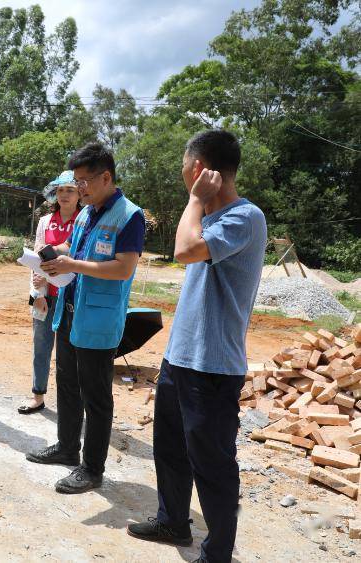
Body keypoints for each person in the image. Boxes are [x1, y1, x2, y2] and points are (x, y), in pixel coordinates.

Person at [127, 130, 266, 563]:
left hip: (214, 366)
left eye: (186, 171)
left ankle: (218, 553)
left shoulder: (245, 218)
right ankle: (173, 521)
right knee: (169, 447)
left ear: (204, 172)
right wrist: (197, 207)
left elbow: (183, 251)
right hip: (180, 358)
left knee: (213, 463)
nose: (183, 180)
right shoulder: (211, 218)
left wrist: (192, 202)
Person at [26, 142, 145, 494]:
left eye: (82, 181)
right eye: (75, 181)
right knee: (67, 384)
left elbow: (123, 268)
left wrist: (71, 264)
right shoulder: (86, 212)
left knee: (96, 396)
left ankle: (92, 468)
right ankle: (66, 447)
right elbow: (73, 249)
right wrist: (52, 254)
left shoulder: (129, 216)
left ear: (105, 177)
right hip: (70, 311)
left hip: (99, 320)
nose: (78, 188)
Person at [18, 172, 82, 415]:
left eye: (70, 190)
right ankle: (37, 395)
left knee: (70, 350)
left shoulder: (83, 222)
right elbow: (36, 258)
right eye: (61, 190)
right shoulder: (45, 221)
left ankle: (71, 403)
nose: (65, 194)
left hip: (72, 296)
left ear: (79, 195)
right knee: (41, 345)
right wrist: (39, 293)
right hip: (46, 294)